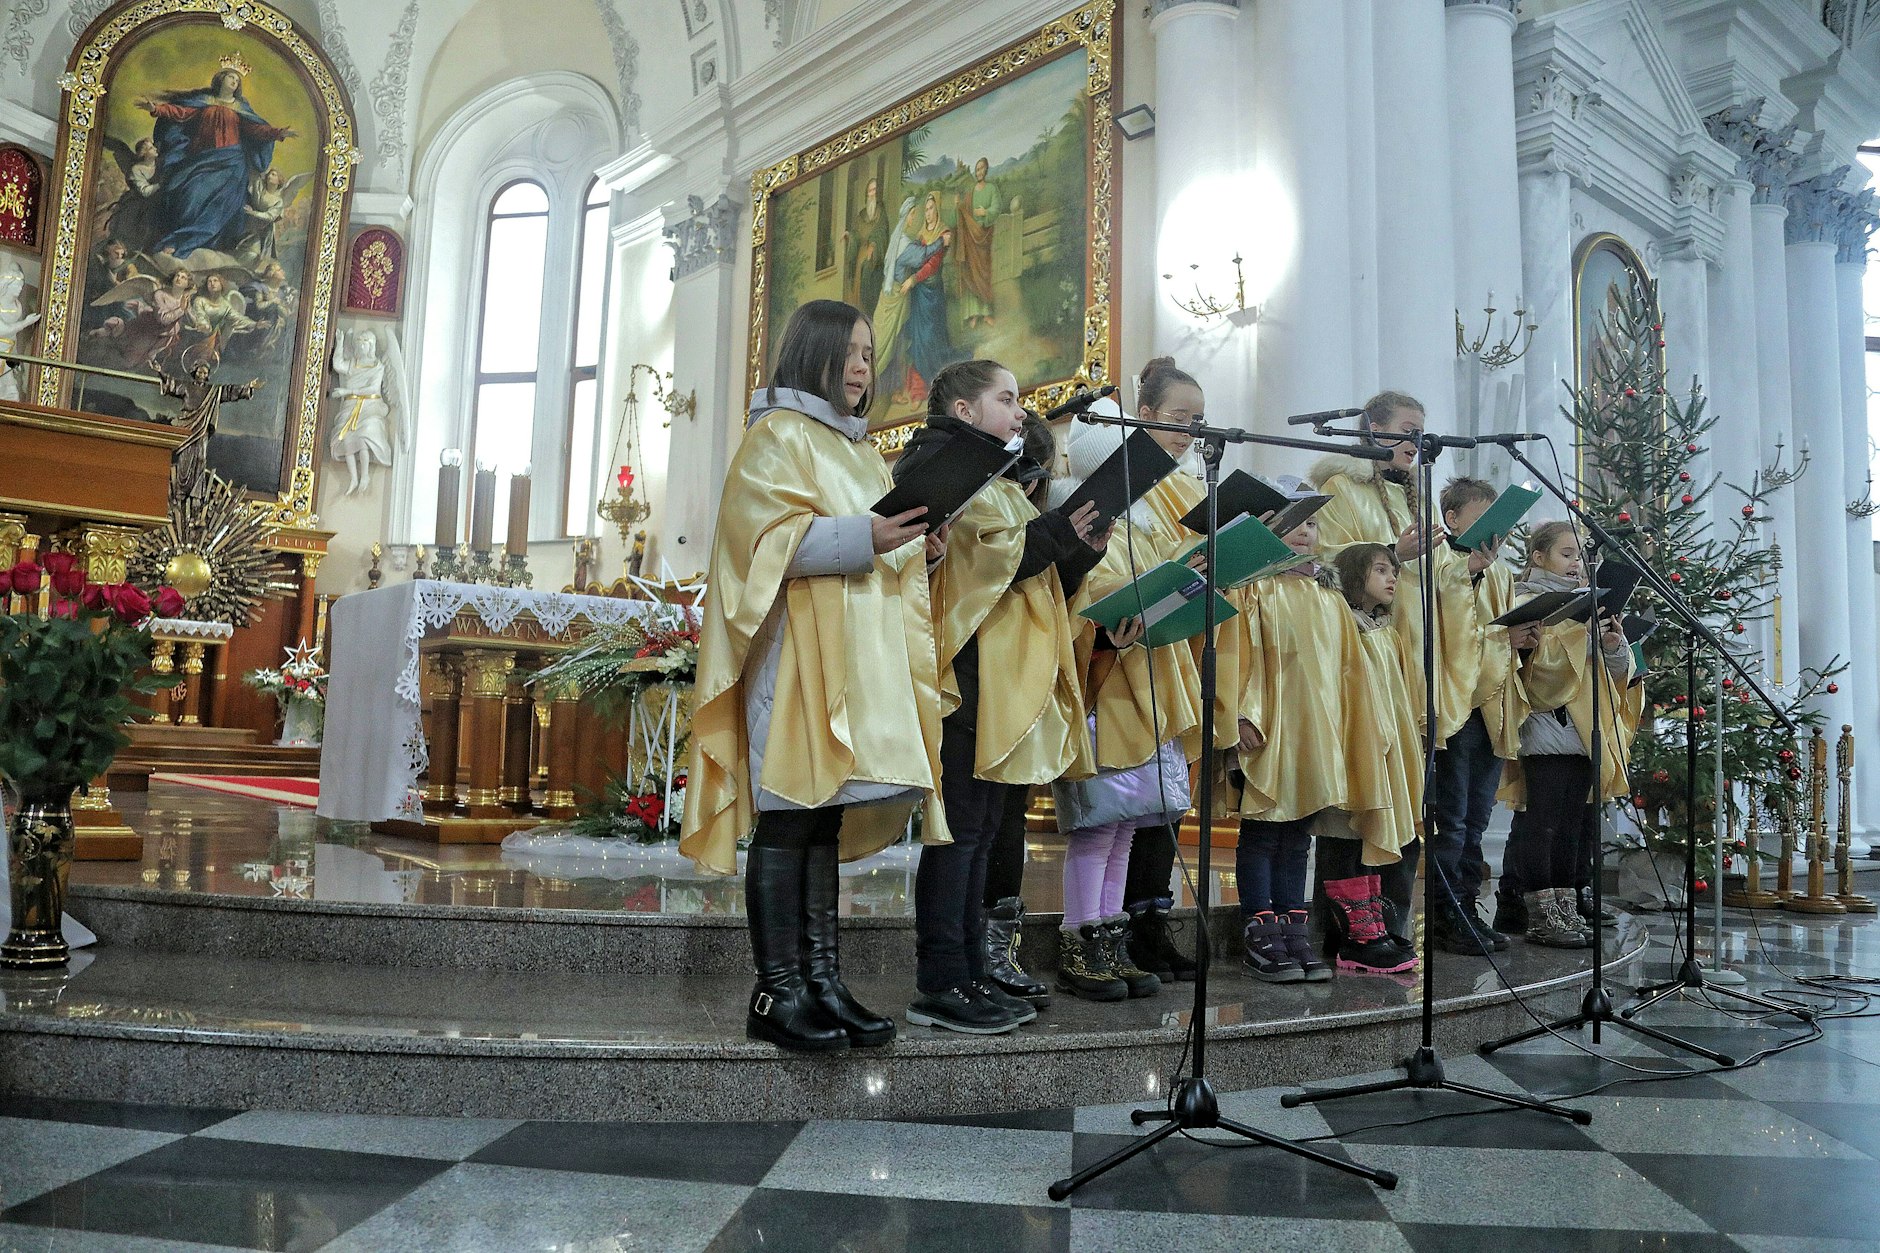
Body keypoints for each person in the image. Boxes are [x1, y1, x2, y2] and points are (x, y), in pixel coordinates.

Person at [678, 298, 951, 1054]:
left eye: (869, 353)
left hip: (851, 664)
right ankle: (776, 990)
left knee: (822, 817)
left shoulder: (862, 451)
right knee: (790, 816)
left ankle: (823, 983)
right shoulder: (776, 435)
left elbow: (872, 549)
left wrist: (915, 548)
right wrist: (866, 536)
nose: (865, 367)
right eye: (853, 352)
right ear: (817, 352)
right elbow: (758, 546)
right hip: (795, 659)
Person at [895, 358, 1106, 1034]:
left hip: (999, 676)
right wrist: (1058, 531)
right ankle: (940, 980)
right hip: (963, 673)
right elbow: (987, 562)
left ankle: (971, 972)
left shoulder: (998, 476)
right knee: (958, 834)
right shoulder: (939, 464)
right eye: (1007, 399)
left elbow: (1036, 576)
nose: (1021, 411)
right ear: (963, 410)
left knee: (983, 834)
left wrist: (1081, 547)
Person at [1044, 407, 1210, 1002]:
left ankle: (1110, 940)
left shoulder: (1147, 523)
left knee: (1124, 830)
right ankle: (1079, 939)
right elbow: (1075, 596)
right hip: (1104, 690)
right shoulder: (1076, 518)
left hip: (1148, 683)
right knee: (1096, 828)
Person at [1308, 390, 1473, 951]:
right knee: (1358, 797)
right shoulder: (1340, 487)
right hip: (1362, 664)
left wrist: (1469, 566)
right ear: (1371, 430)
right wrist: (1391, 553)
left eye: (1420, 432)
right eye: (1406, 429)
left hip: (1410, 665)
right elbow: (1325, 570)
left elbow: (1440, 581)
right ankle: (1344, 930)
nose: (1415, 442)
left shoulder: (1413, 497)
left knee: (1407, 797)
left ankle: (1391, 924)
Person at [1223, 507, 1391, 982]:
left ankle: (1293, 932)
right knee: (1263, 832)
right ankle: (1260, 933)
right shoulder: (1254, 587)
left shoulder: (1328, 596)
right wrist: (1239, 715)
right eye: (1292, 521)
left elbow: (1347, 671)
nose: (1303, 530)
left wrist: (1349, 729)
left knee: (1299, 837)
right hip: (1268, 728)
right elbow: (1239, 652)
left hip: (1317, 732)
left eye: (1312, 523)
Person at [1115, 357, 1229, 982]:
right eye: (1179, 418)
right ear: (1145, 415)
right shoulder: (1125, 478)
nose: (1190, 432)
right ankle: (1120, 928)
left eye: (1198, 421)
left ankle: (1155, 924)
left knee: (1168, 802)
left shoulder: (1192, 487)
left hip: (1180, 654)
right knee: (1129, 804)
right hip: (1131, 656)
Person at [1498, 521, 1641, 948]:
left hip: (1585, 730)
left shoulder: (1587, 604)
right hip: (1546, 727)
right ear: (1538, 557)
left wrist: (1612, 645)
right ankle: (1541, 913)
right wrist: (1581, 637)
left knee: (1571, 826)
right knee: (1542, 824)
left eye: (1579, 555)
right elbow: (1539, 674)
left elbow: (1612, 676)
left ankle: (1567, 907)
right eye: (1566, 554)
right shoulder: (1526, 600)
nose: (1576, 563)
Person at [1425, 477, 1531, 953]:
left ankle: (1467, 906)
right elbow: (1444, 636)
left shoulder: (1501, 572)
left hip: (1491, 706)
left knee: (1476, 818)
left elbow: (1501, 631)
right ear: (1452, 519)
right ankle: (1445, 913)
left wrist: (1522, 640)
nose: (1494, 529)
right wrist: (1501, 636)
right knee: (1451, 820)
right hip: (1455, 707)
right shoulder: (1439, 564)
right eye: (1482, 518)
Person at [980, 409, 1060, 1009]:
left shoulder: (1026, 510)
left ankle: (997, 950)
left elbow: (1055, 589)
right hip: (984, 678)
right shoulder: (983, 502)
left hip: (1025, 678)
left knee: (1010, 820)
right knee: (979, 827)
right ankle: (970, 955)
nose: (1034, 484)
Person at [1324, 543, 1421, 973]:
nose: (1392, 578)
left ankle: (1371, 927)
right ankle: (1350, 934)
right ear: (1353, 575)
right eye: (1380, 569)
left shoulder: (1385, 631)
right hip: (1351, 746)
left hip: (1387, 748)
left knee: (1375, 834)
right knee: (1345, 835)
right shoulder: (1341, 625)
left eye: (1394, 570)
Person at [136, 64, 298, 258]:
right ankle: (180, 237)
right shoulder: (204, 101)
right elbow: (180, 112)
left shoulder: (241, 108)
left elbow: (257, 129)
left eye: (237, 80)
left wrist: (279, 133)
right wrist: (156, 109)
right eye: (231, 77)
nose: (234, 81)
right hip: (201, 158)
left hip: (231, 163)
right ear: (221, 79)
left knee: (220, 204)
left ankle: (183, 243)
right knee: (189, 195)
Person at [954, 158, 999, 330]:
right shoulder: (971, 192)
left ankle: (986, 313)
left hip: (983, 236)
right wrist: (959, 206)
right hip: (970, 239)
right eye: (977, 169)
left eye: (981, 169)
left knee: (983, 274)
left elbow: (997, 208)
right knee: (971, 274)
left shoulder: (991, 189)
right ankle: (973, 314)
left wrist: (985, 212)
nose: (979, 172)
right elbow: (964, 210)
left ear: (986, 170)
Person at [840, 176, 889, 323]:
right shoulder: (861, 215)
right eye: (870, 190)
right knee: (856, 284)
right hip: (860, 254)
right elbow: (856, 233)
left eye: (875, 190)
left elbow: (882, 232)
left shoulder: (881, 213)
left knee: (868, 275)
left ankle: (868, 315)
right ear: (866, 194)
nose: (872, 193)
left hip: (873, 258)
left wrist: (873, 245)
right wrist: (849, 235)